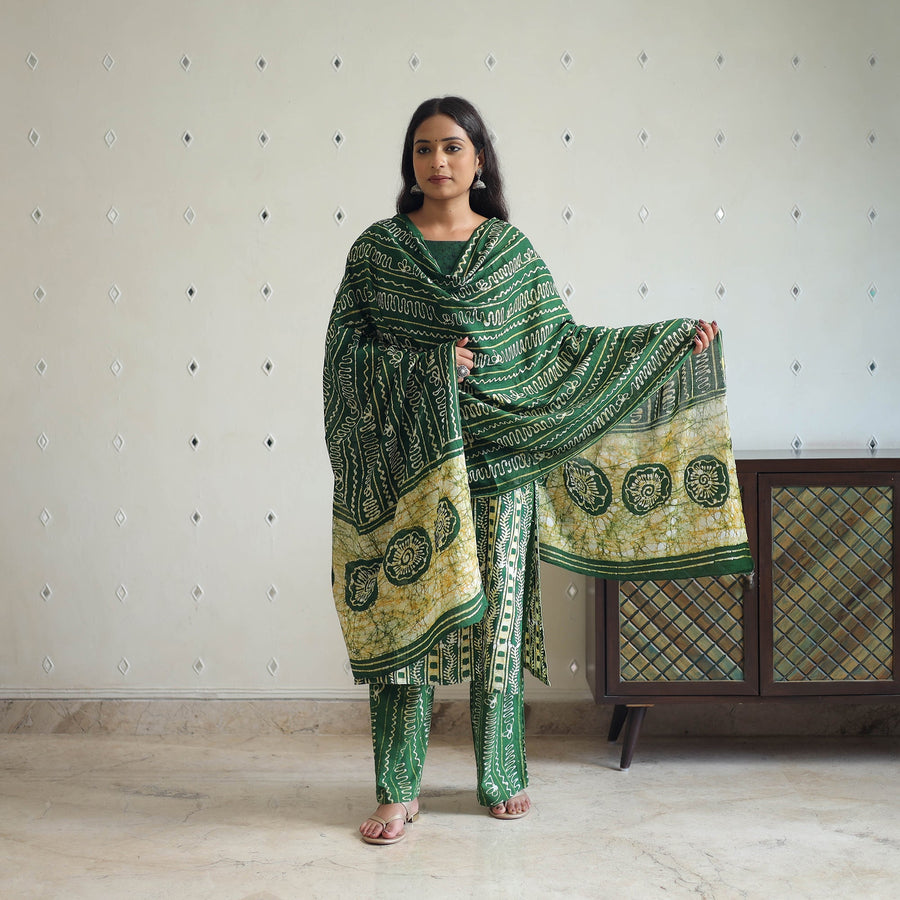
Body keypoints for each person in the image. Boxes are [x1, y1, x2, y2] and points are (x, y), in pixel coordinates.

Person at [323, 97, 752, 845]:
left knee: (499, 631)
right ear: (410, 162)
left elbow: (565, 350)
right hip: (408, 465)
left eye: (452, 147)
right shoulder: (377, 252)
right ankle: (398, 790)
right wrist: (430, 367)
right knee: (405, 628)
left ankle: (501, 773)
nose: (437, 161)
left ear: (479, 161)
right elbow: (342, 362)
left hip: (503, 461)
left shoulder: (509, 252)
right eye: (423, 148)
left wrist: (667, 340)